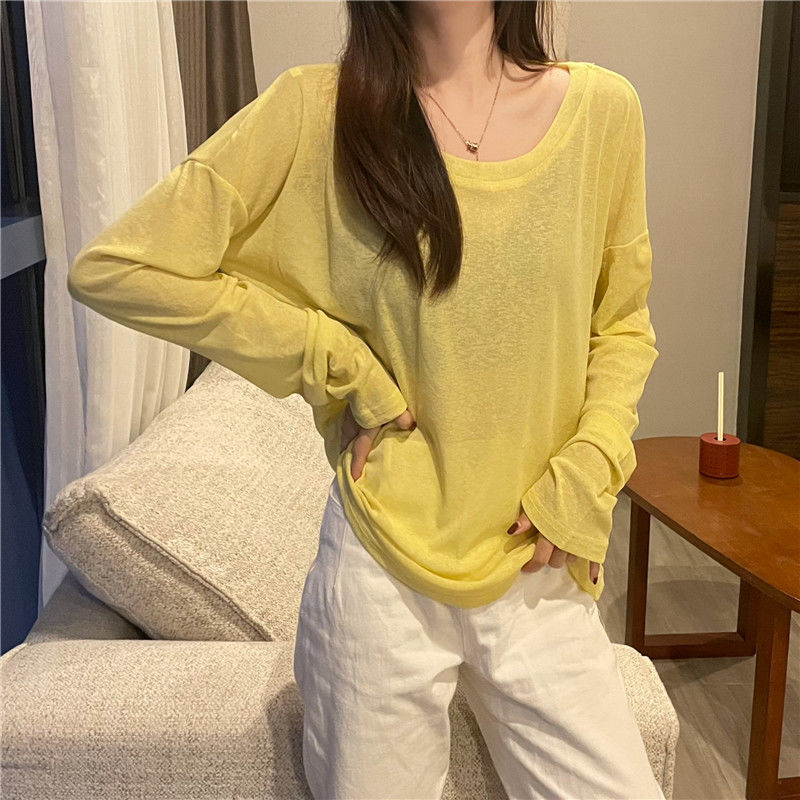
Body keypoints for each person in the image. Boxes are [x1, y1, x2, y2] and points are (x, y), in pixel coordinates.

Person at [67, 1, 665, 798]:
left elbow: (621, 326)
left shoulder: (603, 112)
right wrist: (335, 360)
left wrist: (589, 471)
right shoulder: (315, 112)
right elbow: (121, 267)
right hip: (379, 575)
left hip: (537, 568)